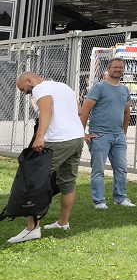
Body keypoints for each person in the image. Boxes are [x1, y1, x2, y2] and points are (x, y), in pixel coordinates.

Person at [8, 72, 85, 243]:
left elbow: (46, 109)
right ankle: (63, 223)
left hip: (57, 140)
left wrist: (40, 136)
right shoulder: (64, 87)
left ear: (30, 80)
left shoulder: (40, 88)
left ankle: (32, 229)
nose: (25, 92)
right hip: (76, 139)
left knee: (33, 180)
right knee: (68, 181)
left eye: (24, 89)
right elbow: (79, 111)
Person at [80, 57, 135, 210]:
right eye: (115, 67)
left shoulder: (124, 90)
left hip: (118, 136)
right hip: (100, 135)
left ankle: (120, 198)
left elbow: (126, 113)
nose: (118, 70)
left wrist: (123, 134)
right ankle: (99, 201)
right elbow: (85, 110)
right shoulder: (99, 87)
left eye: (121, 67)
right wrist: (82, 133)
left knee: (121, 168)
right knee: (98, 170)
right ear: (109, 69)